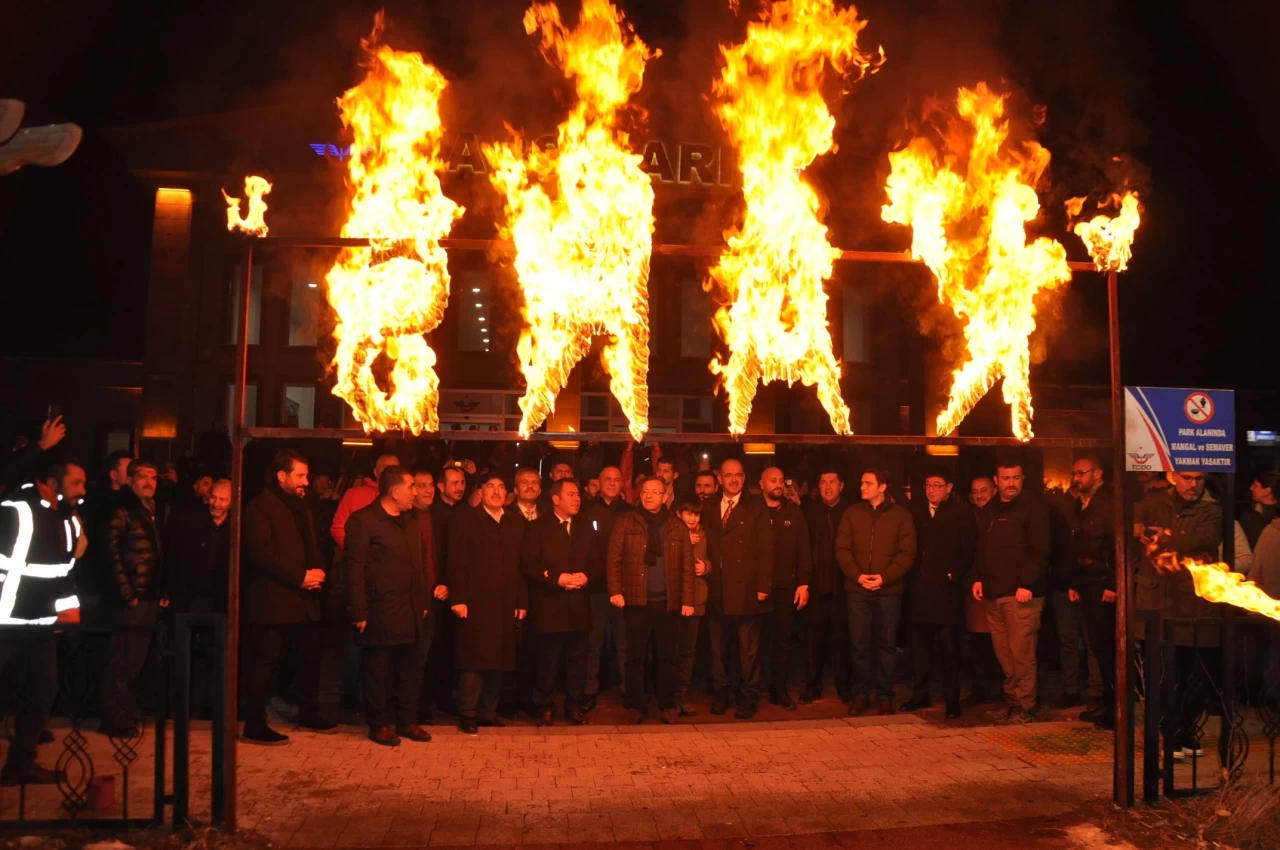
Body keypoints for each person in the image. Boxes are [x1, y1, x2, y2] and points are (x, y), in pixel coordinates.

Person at [241, 449, 337, 744]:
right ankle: (254, 723)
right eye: (300, 475)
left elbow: (313, 543)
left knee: (310, 658)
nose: (305, 481)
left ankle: (309, 712)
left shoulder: (303, 505)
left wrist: (319, 572)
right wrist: (300, 577)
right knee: (265, 663)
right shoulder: (260, 507)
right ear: (281, 476)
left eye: (306, 475)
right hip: (275, 600)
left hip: (306, 599)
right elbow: (261, 553)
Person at [0, 465, 84, 785]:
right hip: (4, 622)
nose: (83, 490)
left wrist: (67, 611)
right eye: (76, 483)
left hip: (40, 625)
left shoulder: (69, 523)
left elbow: (64, 573)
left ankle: (19, 764)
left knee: (43, 690)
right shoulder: (14, 511)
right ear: (50, 484)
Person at [1134, 469, 1224, 759]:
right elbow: (1127, 529)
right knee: (1161, 675)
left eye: (1199, 479)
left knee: (1192, 676)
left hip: (1191, 606)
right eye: (1187, 477)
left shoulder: (1211, 511)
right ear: (1173, 476)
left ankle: (1184, 732)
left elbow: (1203, 541)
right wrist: (1142, 531)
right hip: (1157, 602)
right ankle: (1169, 736)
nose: (1193, 484)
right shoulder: (1151, 504)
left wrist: (1165, 536)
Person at [345, 466, 434, 746]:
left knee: (409, 670)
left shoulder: (411, 520)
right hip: (380, 610)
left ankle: (407, 720)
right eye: (411, 487)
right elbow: (352, 569)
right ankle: (379, 723)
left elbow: (420, 561)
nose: (416, 492)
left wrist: (422, 600)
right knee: (378, 672)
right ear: (395, 491)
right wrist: (359, 610)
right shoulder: (364, 521)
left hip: (410, 609)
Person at [608, 478, 696, 724]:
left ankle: (666, 703)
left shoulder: (677, 526)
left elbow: (687, 566)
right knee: (635, 656)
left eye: (655, 492)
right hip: (636, 600)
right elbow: (613, 559)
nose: (648, 496)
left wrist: (688, 599)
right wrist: (615, 590)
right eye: (645, 491)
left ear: (665, 496)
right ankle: (636, 704)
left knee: (668, 656)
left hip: (668, 601)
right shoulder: (626, 521)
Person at [971, 459, 1051, 725]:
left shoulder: (1033, 508)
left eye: (1016, 477)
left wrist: (1027, 584)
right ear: (997, 480)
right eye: (1006, 478)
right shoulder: (991, 508)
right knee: (1005, 654)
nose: (1011, 483)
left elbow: (1040, 550)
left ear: (1023, 478)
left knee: (1022, 654)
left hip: (1021, 595)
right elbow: (983, 546)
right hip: (995, 594)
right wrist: (979, 578)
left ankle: (1026, 707)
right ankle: (1013, 702)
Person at [449, 474, 528, 734]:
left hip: (506, 602)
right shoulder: (467, 520)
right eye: (490, 487)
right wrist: (458, 598)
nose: (496, 491)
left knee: (500, 659)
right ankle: (468, 712)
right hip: (475, 602)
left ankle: (488, 711)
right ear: (480, 492)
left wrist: (521, 600)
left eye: (501, 486)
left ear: (508, 493)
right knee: (474, 660)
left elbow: (522, 566)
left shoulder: (516, 522)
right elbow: (456, 562)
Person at [836, 466, 917, 716]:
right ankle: (860, 695)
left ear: (882, 487)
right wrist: (859, 576)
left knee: (886, 645)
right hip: (858, 590)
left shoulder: (900, 516)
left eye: (868, 483)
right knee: (859, 644)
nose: (862, 487)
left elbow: (907, 553)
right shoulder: (851, 514)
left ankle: (884, 695)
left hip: (888, 591)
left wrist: (884, 577)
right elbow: (842, 550)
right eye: (861, 482)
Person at [521, 479, 600, 726]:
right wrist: (557, 579)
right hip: (549, 605)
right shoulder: (538, 528)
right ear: (556, 499)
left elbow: (598, 563)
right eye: (571, 494)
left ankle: (574, 706)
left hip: (578, 604)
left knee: (578, 660)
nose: (577, 499)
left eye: (578, 494)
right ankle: (544, 706)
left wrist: (586, 577)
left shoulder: (586, 528)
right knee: (548, 660)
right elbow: (528, 564)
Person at [100, 459, 169, 738]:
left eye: (153, 477)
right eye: (142, 476)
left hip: (148, 595)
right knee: (123, 659)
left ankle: (125, 710)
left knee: (136, 660)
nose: (149, 482)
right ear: (130, 479)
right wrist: (127, 593)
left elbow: (158, 555)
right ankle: (113, 717)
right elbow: (112, 554)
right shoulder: (123, 510)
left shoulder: (151, 510)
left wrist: (161, 590)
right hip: (132, 598)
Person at [902, 467, 975, 719]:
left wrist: (953, 575)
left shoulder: (961, 513)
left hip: (946, 591)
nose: (931, 489)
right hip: (919, 590)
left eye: (936, 485)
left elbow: (969, 549)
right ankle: (920, 694)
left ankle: (951, 699)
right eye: (927, 485)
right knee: (919, 649)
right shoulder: (916, 512)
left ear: (949, 488)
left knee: (949, 650)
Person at [704, 458, 773, 719]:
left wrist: (763, 585)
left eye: (738, 475)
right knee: (718, 647)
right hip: (717, 587)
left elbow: (766, 548)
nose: (733, 479)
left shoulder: (756, 506)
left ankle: (748, 695)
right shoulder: (709, 506)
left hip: (746, 588)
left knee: (748, 649)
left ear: (744, 479)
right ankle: (722, 691)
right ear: (719, 479)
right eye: (728, 475)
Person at [1064, 455, 1117, 730]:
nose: (1076, 478)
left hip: (1102, 582)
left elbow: (1116, 546)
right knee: (1096, 645)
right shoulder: (1079, 505)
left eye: (1081, 472)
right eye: (1074, 473)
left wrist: (1113, 584)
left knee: (1106, 646)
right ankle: (1106, 704)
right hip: (1086, 581)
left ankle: (1114, 707)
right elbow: (1076, 547)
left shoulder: (1109, 504)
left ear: (1097, 473)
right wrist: (1074, 582)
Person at [800, 468, 853, 705]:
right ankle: (813, 687)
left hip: (845, 586)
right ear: (817, 487)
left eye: (833, 482)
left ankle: (845, 687)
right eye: (823, 482)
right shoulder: (808, 511)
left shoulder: (852, 511)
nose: (828, 487)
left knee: (844, 640)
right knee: (814, 640)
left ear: (842, 485)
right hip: (816, 584)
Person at [1047, 486, 1101, 712]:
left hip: (1088, 586)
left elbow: (1094, 555)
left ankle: (1095, 692)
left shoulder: (1097, 518)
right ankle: (1071, 689)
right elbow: (1057, 554)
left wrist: (1078, 583)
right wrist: (1068, 583)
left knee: (1091, 641)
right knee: (1068, 640)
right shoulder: (1060, 521)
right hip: (1063, 586)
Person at [583, 466, 633, 710]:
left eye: (616, 480)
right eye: (607, 480)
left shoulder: (631, 512)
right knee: (593, 644)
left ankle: (628, 691)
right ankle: (589, 691)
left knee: (625, 644)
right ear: (598, 483)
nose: (612, 483)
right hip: (595, 589)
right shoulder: (586, 509)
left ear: (622, 483)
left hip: (625, 589)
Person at [761, 467, 811, 710]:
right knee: (754, 642)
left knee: (783, 641)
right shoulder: (752, 511)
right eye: (773, 481)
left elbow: (804, 550)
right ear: (761, 484)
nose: (778, 484)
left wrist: (803, 583)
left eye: (781, 480)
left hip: (785, 588)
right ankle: (751, 689)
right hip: (756, 589)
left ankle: (778, 689)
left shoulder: (794, 513)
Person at [165, 478, 231, 615]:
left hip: (219, 598)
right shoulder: (191, 521)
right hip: (190, 597)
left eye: (223, 500)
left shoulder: (234, 528)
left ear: (232, 502)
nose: (216, 504)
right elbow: (174, 555)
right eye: (214, 498)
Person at [963, 475, 1001, 705]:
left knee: (999, 640)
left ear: (994, 490)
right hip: (972, 587)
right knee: (977, 640)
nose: (979, 495)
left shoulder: (999, 515)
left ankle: (999, 688)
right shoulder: (969, 517)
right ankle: (981, 688)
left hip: (997, 585)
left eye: (984, 490)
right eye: (975, 491)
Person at [674, 496, 710, 716]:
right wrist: (686, 542)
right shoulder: (671, 533)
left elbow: (714, 559)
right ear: (679, 514)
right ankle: (668, 695)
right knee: (672, 649)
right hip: (674, 600)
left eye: (696, 513)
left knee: (688, 650)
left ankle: (682, 693)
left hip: (696, 599)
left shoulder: (704, 535)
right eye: (688, 513)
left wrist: (705, 566)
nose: (692, 518)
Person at [331, 453, 400, 555]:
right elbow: (338, 528)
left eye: (394, 468)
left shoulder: (403, 498)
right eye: (385, 467)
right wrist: (355, 552)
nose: (390, 472)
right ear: (375, 472)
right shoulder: (353, 494)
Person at [1240, 472, 1279, 550]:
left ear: (1267, 491)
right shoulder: (1250, 513)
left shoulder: (1251, 516)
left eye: (1255, 486)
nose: (1251, 488)